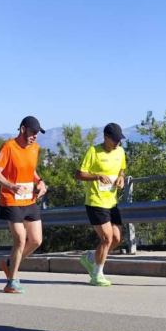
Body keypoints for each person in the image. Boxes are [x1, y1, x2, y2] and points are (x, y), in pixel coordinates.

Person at [0, 116, 47, 293]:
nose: (35, 137)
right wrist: (11, 186)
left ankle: (10, 263)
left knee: (36, 240)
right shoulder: (9, 147)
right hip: (11, 200)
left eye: (37, 134)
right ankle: (11, 282)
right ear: (23, 129)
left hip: (29, 200)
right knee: (20, 240)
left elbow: (32, 171)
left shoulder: (35, 148)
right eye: (32, 133)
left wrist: (41, 182)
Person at [75, 123, 127, 287]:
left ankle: (90, 258)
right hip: (96, 201)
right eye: (115, 140)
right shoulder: (93, 151)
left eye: (120, 140)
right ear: (106, 138)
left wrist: (121, 178)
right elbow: (79, 174)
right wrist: (97, 176)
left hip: (112, 202)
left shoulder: (120, 151)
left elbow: (121, 170)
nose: (118, 143)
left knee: (117, 239)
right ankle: (97, 274)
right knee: (106, 238)